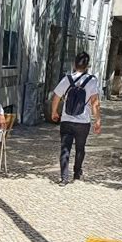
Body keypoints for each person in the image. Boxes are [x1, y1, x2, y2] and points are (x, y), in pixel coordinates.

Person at [51, 51, 102, 186]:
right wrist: (97, 120)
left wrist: (54, 112)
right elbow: (95, 102)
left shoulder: (67, 79)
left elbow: (56, 96)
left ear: (74, 64)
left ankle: (64, 178)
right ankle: (77, 173)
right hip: (83, 122)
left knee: (65, 148)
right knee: (80, 148)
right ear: (87, 66)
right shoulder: (92, 81)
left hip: (67, 120)